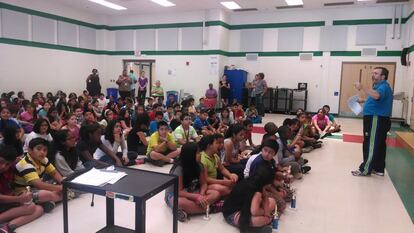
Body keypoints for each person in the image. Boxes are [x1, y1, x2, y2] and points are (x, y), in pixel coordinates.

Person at [165, 142, 222, 222]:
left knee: (216, 193)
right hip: (176, 195)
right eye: (198, 152)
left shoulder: (199, 165)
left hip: (193, 191)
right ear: (190, 155)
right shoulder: (179, 169)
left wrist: (201, 194)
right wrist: (196, 197)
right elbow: (179, 192)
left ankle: (187, 210)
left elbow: (204, 184)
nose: (201, 154)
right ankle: (211, 208)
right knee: (180, 202)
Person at [352, 67, 393, 177]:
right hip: (378, 118)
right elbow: (377, 98)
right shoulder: (380, 86)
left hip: (376, 119)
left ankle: (365, 169)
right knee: (378, 144)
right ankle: (378, 168)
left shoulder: (383, 86)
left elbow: (377, 96)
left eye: (376, 73)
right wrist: (364, 100)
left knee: (370, 143)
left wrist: (362, 88)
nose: (373, 75)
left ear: (383, 76)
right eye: (372, 73)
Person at [0, 146, 44, 233]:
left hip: (7, 202)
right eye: (1, 162)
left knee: (39, 209)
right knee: (31, 207)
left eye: (7, 164)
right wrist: (19, 198)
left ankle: (7, 227)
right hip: (3, 202)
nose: (3, 167)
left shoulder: (10, 169)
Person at [223, 164, 276, 233]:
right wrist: (266, 212)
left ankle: (266, 219)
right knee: (260, 219)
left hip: (246, 208)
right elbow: (255, 212)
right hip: (232, 214)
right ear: (266, 182)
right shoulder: (257, 191)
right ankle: (262, 224)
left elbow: (265, 198)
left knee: (272, 201)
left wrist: (266, 211)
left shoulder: (255, 182)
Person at [14, 138, 64, 211]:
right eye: (39, 149)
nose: (42, 152)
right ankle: (65, 195)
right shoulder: (25, 164)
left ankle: (48, 201)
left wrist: (63, 183)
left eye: (45, 150)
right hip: (24, 193)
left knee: (63, 180)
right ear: (30, 150)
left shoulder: (43, 159)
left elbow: (54, 173)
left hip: (36, 189)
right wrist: (60, 188)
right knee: (45, 194)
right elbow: (39, 184)